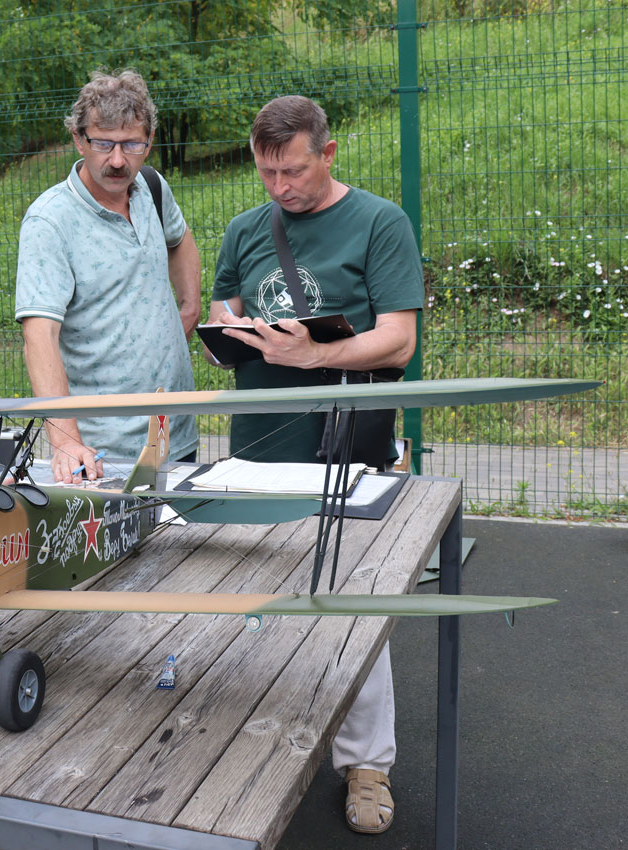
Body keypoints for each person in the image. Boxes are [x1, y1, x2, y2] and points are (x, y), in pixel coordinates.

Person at [207, 95, 424, 835]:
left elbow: (397, 341)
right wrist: (231, 329)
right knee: (259, 591)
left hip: (346, 446)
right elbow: (223, 305)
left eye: (292, 170)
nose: (279, 187)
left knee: (353, 601)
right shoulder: (244, 228)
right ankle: (262, 733)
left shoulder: (378, 222)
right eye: (265, 172)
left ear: (328, 154)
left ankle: (366, 762)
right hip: (259, 443)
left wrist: (316, 351)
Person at [15, 69, 202, 483]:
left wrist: (189, 308)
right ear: (79, 140)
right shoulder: (50, 222)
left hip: (177, 434)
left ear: (149, 142)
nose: (118, 160)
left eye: (132, 144)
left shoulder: (151, 187)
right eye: (104, 143)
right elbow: (39, 336)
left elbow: (180, 238)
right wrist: (65, 441)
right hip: (105, 455)